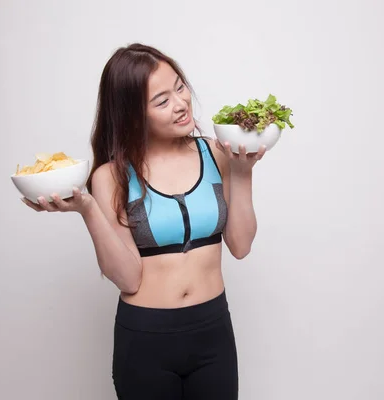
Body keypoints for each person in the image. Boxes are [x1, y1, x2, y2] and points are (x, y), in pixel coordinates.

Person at [21, 43, 266, 399]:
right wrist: (88, 209)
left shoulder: (216, 152)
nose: (181, 104)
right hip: (146, 340)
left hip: (213, 332)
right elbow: (129, 277)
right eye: (162, 100)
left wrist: (242, 173)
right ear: (133, 114)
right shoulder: (112, 176)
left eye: (180, 87)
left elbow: (241, 247)